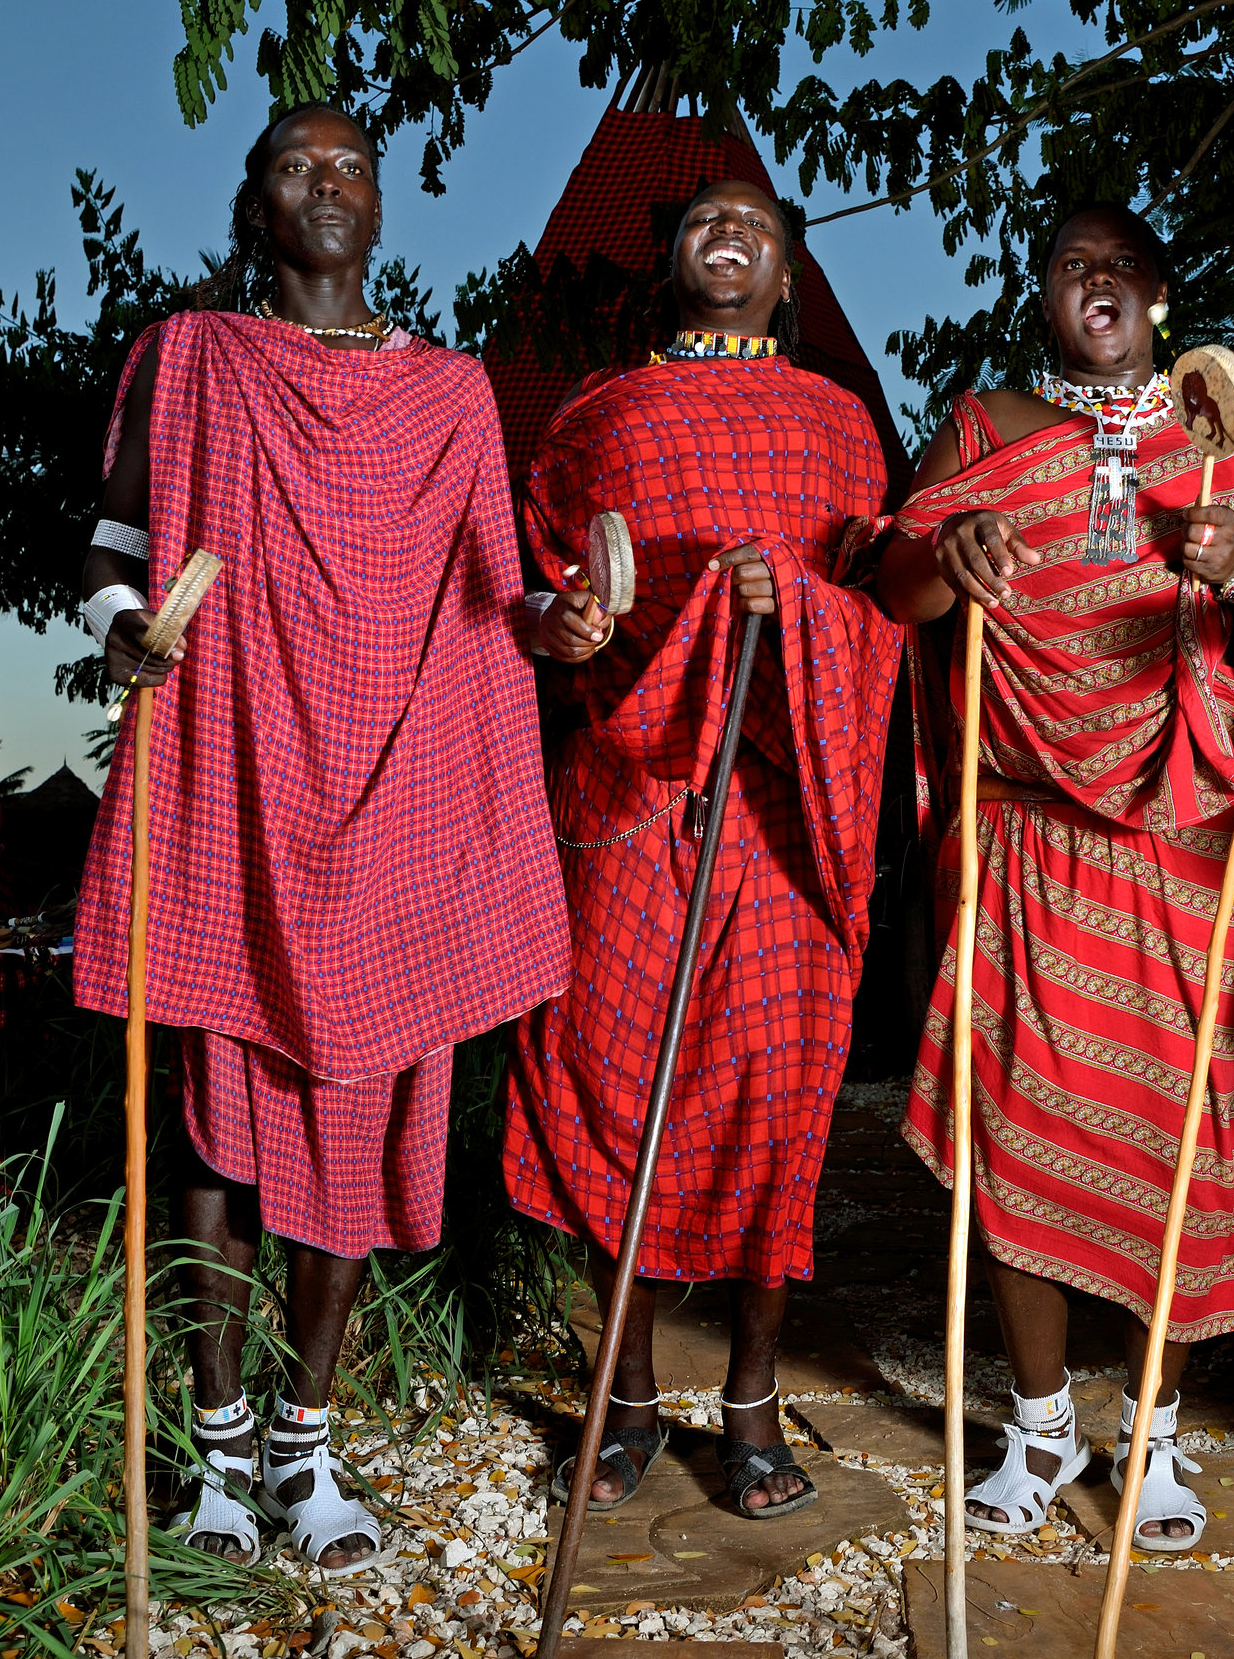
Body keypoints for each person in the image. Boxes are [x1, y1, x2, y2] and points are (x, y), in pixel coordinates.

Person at [74, 104, 570, 1574]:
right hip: (236, 770)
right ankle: (219, 1456)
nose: (328, 182)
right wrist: (123, 635)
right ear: (256, 205)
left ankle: (308, 1442)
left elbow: (507, 592)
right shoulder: (191, 361)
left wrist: (570, 621)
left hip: (404, 793)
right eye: (296, 165)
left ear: (384, 200)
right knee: (221, 1128)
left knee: (353, 1121)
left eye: (351, 163)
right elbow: (108, 542)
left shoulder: (454, 393)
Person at [876, 205, 1234, 1552]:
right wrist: (948, 556)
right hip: (1028, 831)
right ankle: (1040, 1428)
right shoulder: (985, 425)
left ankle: (1155, 1441)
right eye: (1068, 268)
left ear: (1160, 291)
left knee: (1168, 1143)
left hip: (1170, 845)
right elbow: (887, 575)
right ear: (1040, 295)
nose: (1094, 285)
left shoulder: (1218, 445)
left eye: (1119, 267)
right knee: (1019, 1135)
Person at [501, 179, 900, 1521]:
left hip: (788, 804)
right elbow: (548, 598)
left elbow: (876, 609)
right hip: (632, 800)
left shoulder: (842, 430)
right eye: (701, 220)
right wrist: (564, 631)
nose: (730, 233)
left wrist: (792, 609)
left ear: (788, 276)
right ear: (663, 258)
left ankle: (750, 1399)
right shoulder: (590, 421)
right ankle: (621, 1395)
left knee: (778, 1104)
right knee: (611, 1080)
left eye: (761, 226)